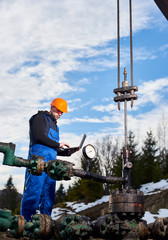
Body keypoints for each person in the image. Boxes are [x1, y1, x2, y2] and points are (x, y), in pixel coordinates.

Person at [20, 98, 74, 221]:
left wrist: (66, 153)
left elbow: (52, 147)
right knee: (33, 192)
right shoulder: (39, 118)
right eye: (58, 111)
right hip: (37, 163)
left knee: (48, 196)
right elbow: (40, 137)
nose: (60, 114)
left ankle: (45, 225)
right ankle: (25, 226)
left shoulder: (55, 126)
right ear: (52, 107)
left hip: (51, 166)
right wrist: (58, 144)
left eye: (62, 112)